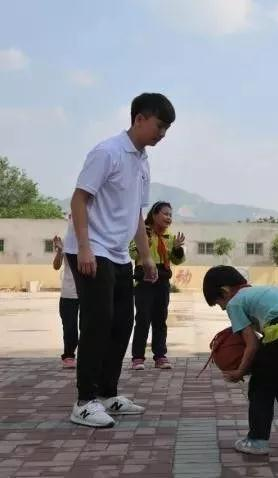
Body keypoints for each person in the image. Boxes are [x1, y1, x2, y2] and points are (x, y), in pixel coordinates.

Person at [63, 93, 175, 428]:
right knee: (98, 321)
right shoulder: (107, 152)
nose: (162, 134)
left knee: (123, 322)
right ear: (139, 119)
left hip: (117, 252)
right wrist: (84, 248)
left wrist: (146, 256)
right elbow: (79, 199)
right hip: (90, 248)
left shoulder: (142, 161)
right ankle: (84, 402)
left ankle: (108, 394)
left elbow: (136, 214)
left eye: (167, 129)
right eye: (159, 126)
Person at [203, 266, 278, 456]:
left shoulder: (234, 303)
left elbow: (251, 344)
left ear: (225, 291)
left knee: (261, 386)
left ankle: (257, 440)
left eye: (220, 304)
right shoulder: (265, 290)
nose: (224, 308)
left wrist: (240, 371)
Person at [129, 201, 186, 370]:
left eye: (170, 215)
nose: (169, 218)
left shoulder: (170, 237)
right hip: (144, 281)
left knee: (160, 319)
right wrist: (144, 244)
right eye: (165, 214)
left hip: (162, 282)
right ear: (154, 214)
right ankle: (138, 357)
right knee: (143, 318)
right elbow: (132, 253)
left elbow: (177, 260)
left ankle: (160, 356)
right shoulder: (142, 232)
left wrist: (177, 249)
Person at [52, 229, 79, 369]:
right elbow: (56, 266)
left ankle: (89, 356)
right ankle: (69, 355)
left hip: (89, 291)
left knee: (90, 326)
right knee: (69, 327)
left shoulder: (94, 239)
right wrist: (59, 251)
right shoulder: (67, 240)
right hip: (69, 292)